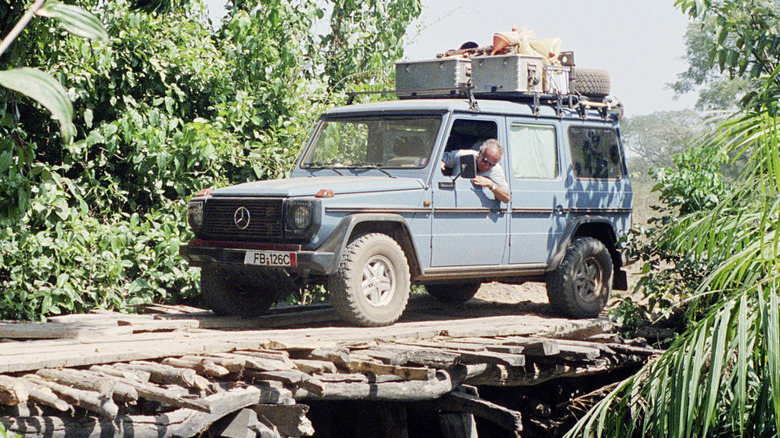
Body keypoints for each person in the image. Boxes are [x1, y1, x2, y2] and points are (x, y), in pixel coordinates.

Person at [441, 138, 511, 203]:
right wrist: (440, 163)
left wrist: (491, 185)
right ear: (480, 153)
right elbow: (437, 159)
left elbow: (506, 198)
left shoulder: (495, 170)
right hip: (452, 199)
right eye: (484, 161)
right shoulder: (462, 155)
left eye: (491, 164)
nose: (486, 166)